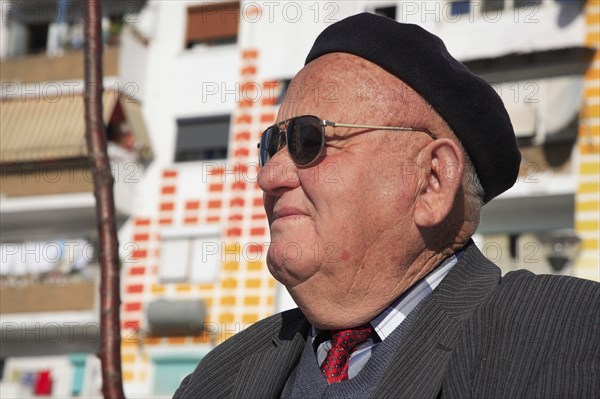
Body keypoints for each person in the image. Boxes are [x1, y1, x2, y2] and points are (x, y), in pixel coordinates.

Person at [174, 13, 599, 399]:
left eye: (309, 140)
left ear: (432, 181)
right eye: (272, 145)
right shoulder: (218, 375)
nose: (269, 176)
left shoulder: (570, 332)